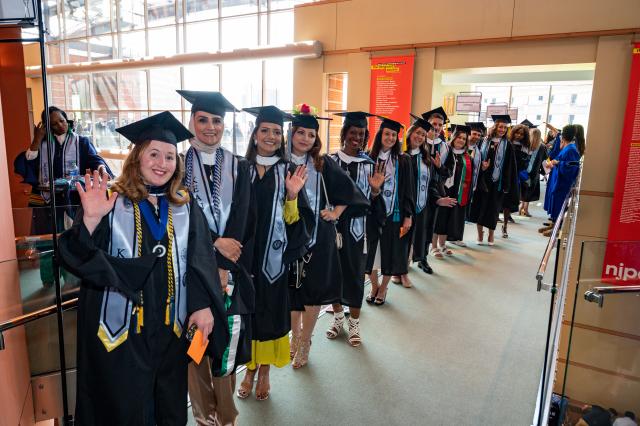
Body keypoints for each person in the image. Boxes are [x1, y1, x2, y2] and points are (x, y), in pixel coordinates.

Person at [57, 111, 228, 425]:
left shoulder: (185, 206)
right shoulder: (111, 202)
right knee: (126, 411)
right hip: (121, 335)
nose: (162, 163)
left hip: (171, 333)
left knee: (170, 410)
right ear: (136, 158)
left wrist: (202, 305)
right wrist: (91, 222)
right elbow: (74, 258)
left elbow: (200, 259)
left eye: (169, 156)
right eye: (153, 154)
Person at [177, 90, 254, 426]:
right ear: (191, 121)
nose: (210, 127)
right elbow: (179, 221)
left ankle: (226, 414)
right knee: (196, 343)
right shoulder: (176, 164)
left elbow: (242, 216)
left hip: (230, 270)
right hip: (191, 269)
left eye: (217, 121)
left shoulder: (239, 165)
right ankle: (202, 414)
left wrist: (223, 263)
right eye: (203, 120)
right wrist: (213, 246)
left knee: (226, 344)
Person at [237, 105, 313, 401]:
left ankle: (264, 371)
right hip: (243, 259)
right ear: (255, 135)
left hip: (273, 261)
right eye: (265, 130)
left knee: (269, 315)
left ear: (283, 137)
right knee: (248, 315)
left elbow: (298, 223)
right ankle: (249, 369)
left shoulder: (290, 171)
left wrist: (293, 196)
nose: (271, 136)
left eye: (277, 132)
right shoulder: (239, 169)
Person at [288, 105, 369, 364]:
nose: (305, 139)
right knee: (292, 292)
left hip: (319, 239)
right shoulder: (281, 162)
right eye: (301, 132)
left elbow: (349, 190)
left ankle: (305, 342)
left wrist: (335, 213)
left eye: (311, 135)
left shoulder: (322, 163)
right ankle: (294, 335)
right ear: (291, 133)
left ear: (316, 138)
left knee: (313, 293)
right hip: (289, 237)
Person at [14, 106, 112, 287]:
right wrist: (37, 139)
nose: (61, 125)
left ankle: (71, 282)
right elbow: (26, 163)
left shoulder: (80, 142)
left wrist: (101, 168)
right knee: (46, 239)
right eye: (55, 123)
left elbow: (94, 159)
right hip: (46, 201)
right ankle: (48, 278)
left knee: (71, 239)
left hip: (72, 201)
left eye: (62, 120)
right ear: (48, 127)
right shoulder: (42, 144)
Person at [326, 111, 384, 345]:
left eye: (361, 134)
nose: (357, 137)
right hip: (333, 227)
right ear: (344, 134)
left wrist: (376, 191)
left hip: (359, 231)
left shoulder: (370, 165)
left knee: (355, 277)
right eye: (353, 133)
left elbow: (375, 206)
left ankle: (354, 324)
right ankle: (338, 317)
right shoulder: (330, 161)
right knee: (333, 275)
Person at [365, 117, 415, 303]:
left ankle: (384, 288)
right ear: (380, 135)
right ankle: (373, 286)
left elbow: (409, 190)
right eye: (387, 134)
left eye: (394, 135)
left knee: (389, 252)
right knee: (371, 252)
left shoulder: (404, 160)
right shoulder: (368, 159)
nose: (390, 137)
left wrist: (408, 216)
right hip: (372, 214)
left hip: (395, 215)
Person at [469, 115, 515, 246]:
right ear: (495, 127)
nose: (502, 130)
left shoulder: (508, 145)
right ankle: (479, 233)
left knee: (493, 209)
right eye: (500, 127)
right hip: (482, 180)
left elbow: (510, 166)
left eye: (505, 128)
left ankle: (491, 234)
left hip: (497, 183)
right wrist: (481, 167)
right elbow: (474, 158)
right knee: (480, 207)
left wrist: (507, 184)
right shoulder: (483, 141)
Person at [432, 125, 474, 257]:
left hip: (457, 191)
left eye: (464, 138)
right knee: (438, 218)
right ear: (453, 137)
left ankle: (442, 244)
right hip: (442, 190)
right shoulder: (445, 151)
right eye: (459, 137)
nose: (461, 140)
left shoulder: (467, 158)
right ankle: (433, 247)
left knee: (448, 218)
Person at [406, 114, 437, 273]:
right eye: (417, 132)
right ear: (410, 132)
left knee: (422, 233)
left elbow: (431, 183)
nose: (419, 137)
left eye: (423, 135)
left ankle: (421, 259)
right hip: (404, 204)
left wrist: (438, 198)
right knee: (404, 237)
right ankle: (401, 268)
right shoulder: (401, 154)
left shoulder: (425, 157)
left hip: (422, 202)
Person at [541, 124, 584, 236]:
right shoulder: (568, 147)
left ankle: (557, 229)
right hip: (558, 179)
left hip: (563, 182)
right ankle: (554, 225)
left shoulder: (571, 149)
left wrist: (557, 163)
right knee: (555, 202)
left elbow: (572, 167)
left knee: (560, 204)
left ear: (563, 137)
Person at [500, 123, 529, 238]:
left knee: (507, 203)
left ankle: (505, 226)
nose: (518, 135)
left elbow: (524, 165)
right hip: (502, 175)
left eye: (521, 134)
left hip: (514, 178)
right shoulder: (506, 143)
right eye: (517, 133)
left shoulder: (524, 148)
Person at [519, 127, 547, 217]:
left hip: (524, 171)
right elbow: (545, 160)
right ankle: (525, 209)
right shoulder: (542, 147)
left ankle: (522, 207)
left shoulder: (525, 144)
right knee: (529, 190)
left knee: (524, 189)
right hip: (534, 172)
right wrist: (545, 172)